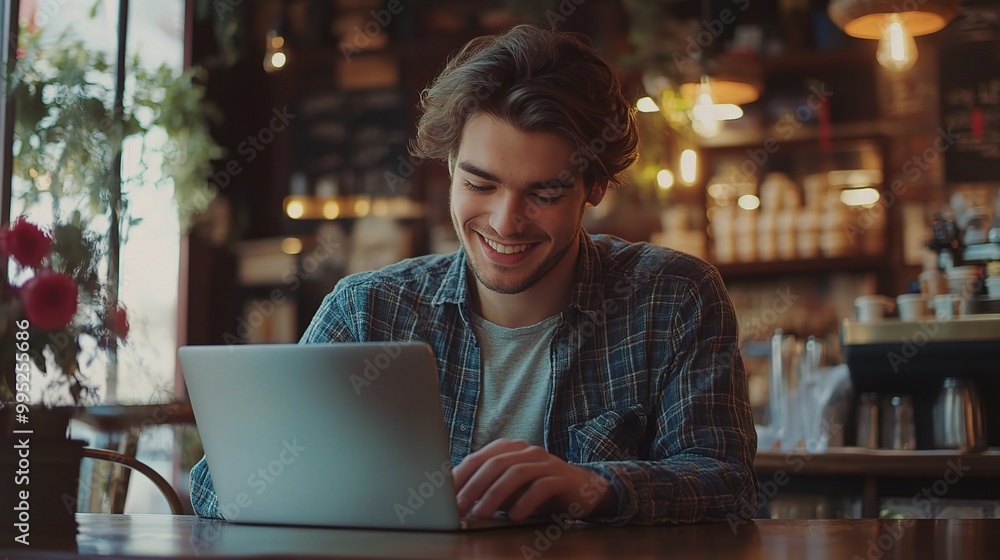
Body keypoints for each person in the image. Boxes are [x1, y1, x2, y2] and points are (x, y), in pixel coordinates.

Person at [190, 24, 758, 525]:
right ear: (449, 168)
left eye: (545, 192)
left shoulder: (675, 297)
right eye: (480, 184)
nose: (506, 222)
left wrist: (596, 487)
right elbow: (218, 485)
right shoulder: (369, 310)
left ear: (594, 188)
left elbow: (727, 483)